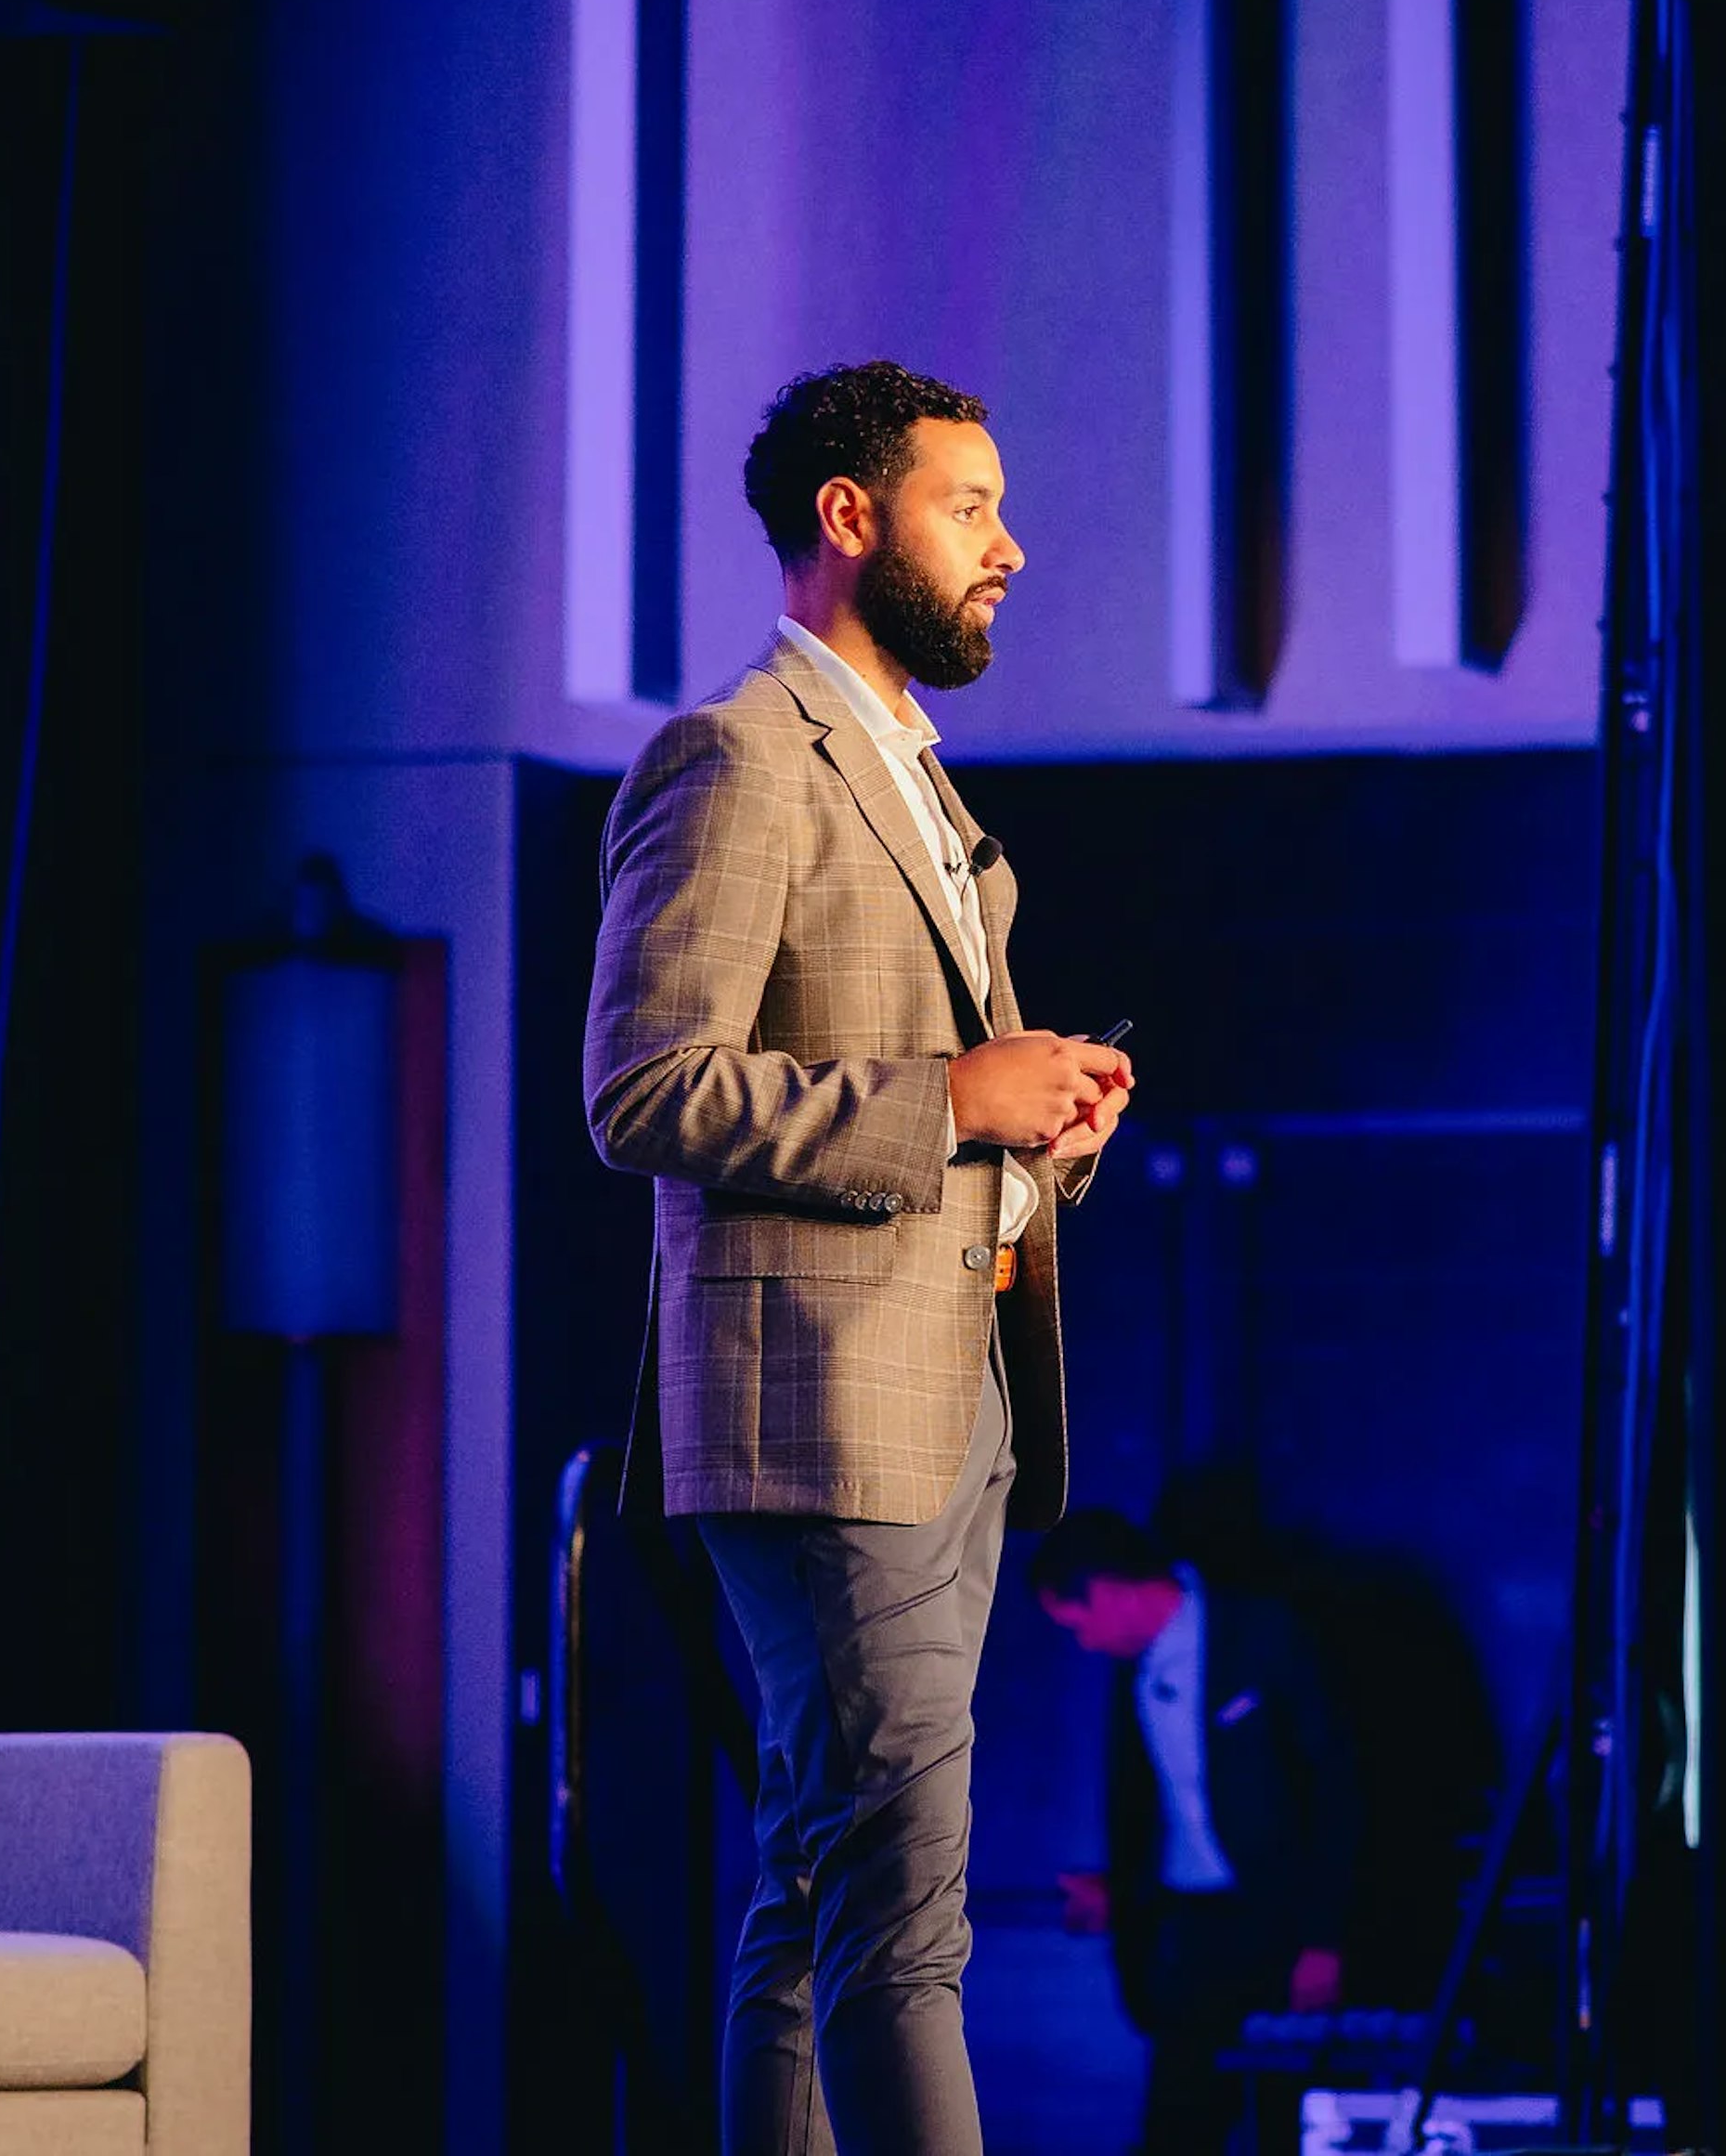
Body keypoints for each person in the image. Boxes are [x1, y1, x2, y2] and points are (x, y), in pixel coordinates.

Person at [585, 360, 1137, 2156]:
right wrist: (948, 1093)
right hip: (824, 1407)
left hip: (951, 1383)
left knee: (824, 1883)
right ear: (850, 515)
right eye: (968, 507)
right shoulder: (739, 753)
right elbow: (645, 1085)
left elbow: (943, 1105)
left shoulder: (916, 778)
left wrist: (1035, 1126)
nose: (1012, 547)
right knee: (902, 1909)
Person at [1033, 1512, 1360, 2156]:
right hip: (1193, 1927)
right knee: (1179, 2121)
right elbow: (1155, 1806)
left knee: (1286, 2116)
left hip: (1282, 1916)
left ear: (1110, 1590)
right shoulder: (1137, 1669)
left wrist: (1324, 1936)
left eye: (1080, 1624)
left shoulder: (1262, 1633)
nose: (1087, 1644)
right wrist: (1119, 1890)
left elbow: (1337, 1792)